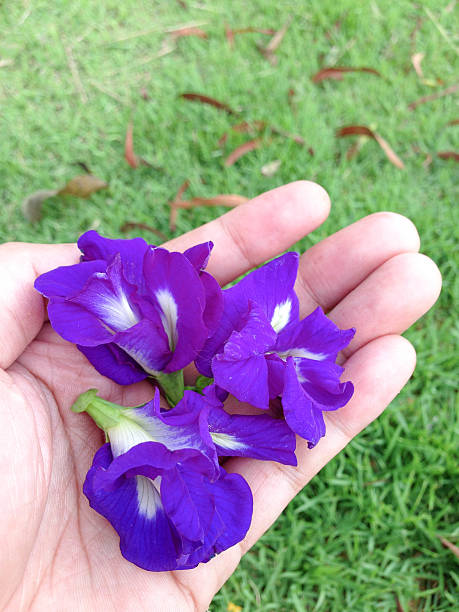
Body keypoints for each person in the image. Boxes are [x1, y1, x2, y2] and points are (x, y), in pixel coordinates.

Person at [0, 181, 441, 611]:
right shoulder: (196, 389)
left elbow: (246, 416)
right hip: (171, 395)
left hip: (177, 391)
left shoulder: (207, 384)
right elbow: (243, 420)